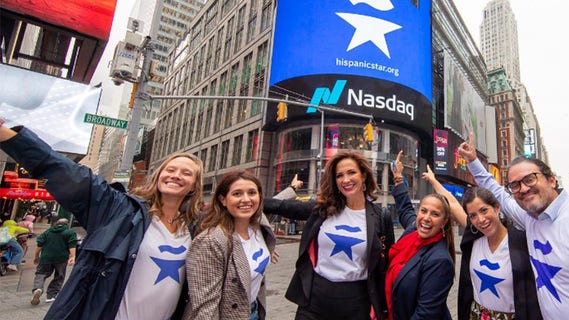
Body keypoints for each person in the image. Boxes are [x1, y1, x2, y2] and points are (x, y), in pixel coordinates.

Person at [0, 118, 204, 320]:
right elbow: (67, 172)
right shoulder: (119, 209)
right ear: (158, 175)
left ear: (194, 185)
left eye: (186, 173)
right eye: (170, 170)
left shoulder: (194, 229)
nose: (176, 175)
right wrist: (6, 134)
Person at [458, 132, 569, 319]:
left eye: (530, 179)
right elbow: (496, 191)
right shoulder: (530, 218)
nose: (523, 189)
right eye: (515, 185)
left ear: (551, 180)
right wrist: (472, 160)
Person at [263, 151, 395, 319]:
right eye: (339, 175)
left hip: (357, 303)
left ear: (363, 175)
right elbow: (281, 206)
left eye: (351, 172)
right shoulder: (323, 209)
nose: (345, 179)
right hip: (315, 300)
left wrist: (380, 305)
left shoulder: (381, 217)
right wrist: (251, 202)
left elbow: (385, 266)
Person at [421, 163, 542, 320]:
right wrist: (433, 180)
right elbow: (451, 203)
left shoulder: (521, 241)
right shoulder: (475, 237)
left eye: (484, 210)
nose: (481, 220)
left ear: (497, 208)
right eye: (473, 215)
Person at [183, 170, 299, 319]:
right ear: (223, 199)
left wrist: (292, 189)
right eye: (237, 194)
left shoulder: (259, 223)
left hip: (253, 312)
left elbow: (277, 201)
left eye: (252, 193)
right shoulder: (210, 242)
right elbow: (205, 307)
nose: (246, 200)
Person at [388, 151, 455, 319]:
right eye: (423, 211)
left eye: (435, 214)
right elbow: (404, 208)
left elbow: (425, 314)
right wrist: (398, 177)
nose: (426, 218)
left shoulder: (440, 261)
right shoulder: (412, 229)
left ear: (444, 221)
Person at [31, 218, 78, 305]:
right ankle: (51, 296)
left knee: (41, 274)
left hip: (46, 257)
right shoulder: (70, 232)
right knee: (59, 276)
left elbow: (39, 244)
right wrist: (73, 256)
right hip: (61, 258)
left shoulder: (48, 232)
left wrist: (36, 256)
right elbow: (72, 245)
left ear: (57, 223)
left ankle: (38, 288)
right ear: (67, 224)